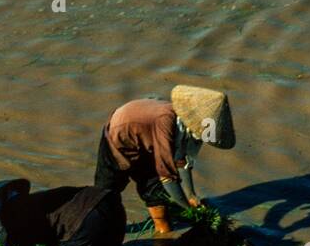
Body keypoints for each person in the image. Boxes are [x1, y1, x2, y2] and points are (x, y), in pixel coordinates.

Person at [94, 85, 235, 235]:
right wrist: (186, 208)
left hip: (148, 143)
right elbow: (167, 176)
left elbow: (183, 160)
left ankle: (163, 233)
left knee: (155, 194)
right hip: (119, 137)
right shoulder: (165, 122)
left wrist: (191, 195)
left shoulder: (190, 130)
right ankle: (98, 232)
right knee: (106, 194)